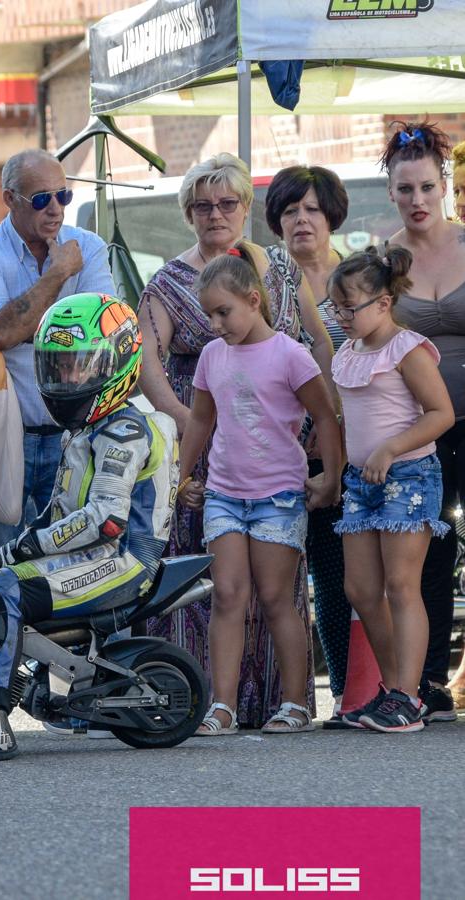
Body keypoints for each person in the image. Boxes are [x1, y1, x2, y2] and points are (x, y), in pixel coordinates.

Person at [0, 293, 176, 763]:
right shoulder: (83, 432)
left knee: (4, 593)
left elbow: (107, 518)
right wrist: (12, 551)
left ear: (118, 362)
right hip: (95, 556)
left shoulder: (124, 431)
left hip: (124, 560)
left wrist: (30, 547)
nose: (65, 380)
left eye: (78, 368)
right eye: (56, 368)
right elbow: (58, 513)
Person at [137, 153, 323, 728]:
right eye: (202, 205)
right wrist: (189, 429)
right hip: (211, 457)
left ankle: (278, 701)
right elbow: (147, 362)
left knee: (276, 592)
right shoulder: (169, 282)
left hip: (278, 456)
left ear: (246, 208)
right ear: (187, 212)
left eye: (227, 202)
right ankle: (207, 702)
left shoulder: (283, 274)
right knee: (217, 592)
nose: (215, 213)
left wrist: (319, 432)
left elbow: (317, 343)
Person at [174, 247, 343, 736]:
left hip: (278, 496)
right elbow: (202, 418)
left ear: (253, 300)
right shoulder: (212, 356)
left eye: (223, 312)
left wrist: (331, 476)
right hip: (225, 494)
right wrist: (183, 478)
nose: (215, 324)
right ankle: (222, 706)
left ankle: (295, 703)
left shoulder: (290, 354)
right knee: (227, 596)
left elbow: (327, 416)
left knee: (274, 598)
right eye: (208, 314)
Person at [0, 149, 115, 568]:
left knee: (73, 568)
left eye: (64, 196)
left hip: (70, 437)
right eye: (42, 199)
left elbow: (98, 339)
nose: (55, 209)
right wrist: (56, 276)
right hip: (1, 435)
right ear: (10, 199)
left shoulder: (89, 249)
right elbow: (3, 332)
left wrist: (26, 324)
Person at [331, 247, 455, 731]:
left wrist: (389, 449)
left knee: (402, 586)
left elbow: (440, 413)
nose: (342, 317)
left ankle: (409, 694)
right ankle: (393, 692)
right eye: (336, 308)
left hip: (408, 476)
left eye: (350, 307)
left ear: (383, 303)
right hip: (362, 482)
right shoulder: (348, 351)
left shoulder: (408, 348)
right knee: (361, 589)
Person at [264, 165, 354, 723]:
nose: (301, 220)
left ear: (331, 216)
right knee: (286, 579)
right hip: (280, 450)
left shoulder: (361, 276)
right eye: (291, 210)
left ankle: (353, 690)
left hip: (354, 443)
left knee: (347, 574)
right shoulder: (265, 282)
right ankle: (282, 695)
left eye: (312, 209)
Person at [383, 121, 465, 723]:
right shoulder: (383, 263)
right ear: (392, 193)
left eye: (427, 188)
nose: (417, 201)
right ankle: (431, 680)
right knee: (431, 549)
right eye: (406, 190)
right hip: (424, 429)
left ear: (445, 188)